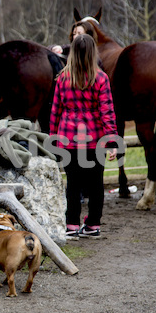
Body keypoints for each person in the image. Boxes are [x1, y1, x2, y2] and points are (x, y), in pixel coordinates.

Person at [49, 34, 118, 240]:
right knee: (96, 184)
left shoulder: (62, 78)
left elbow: (55, 110)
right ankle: (92, 225)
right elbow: (107, 112)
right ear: (92, 53)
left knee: (73, 184)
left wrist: (53, 138)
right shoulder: (101, 78)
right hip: (94, 138)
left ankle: (71, 225)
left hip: (69, 138)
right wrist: (112, 141)